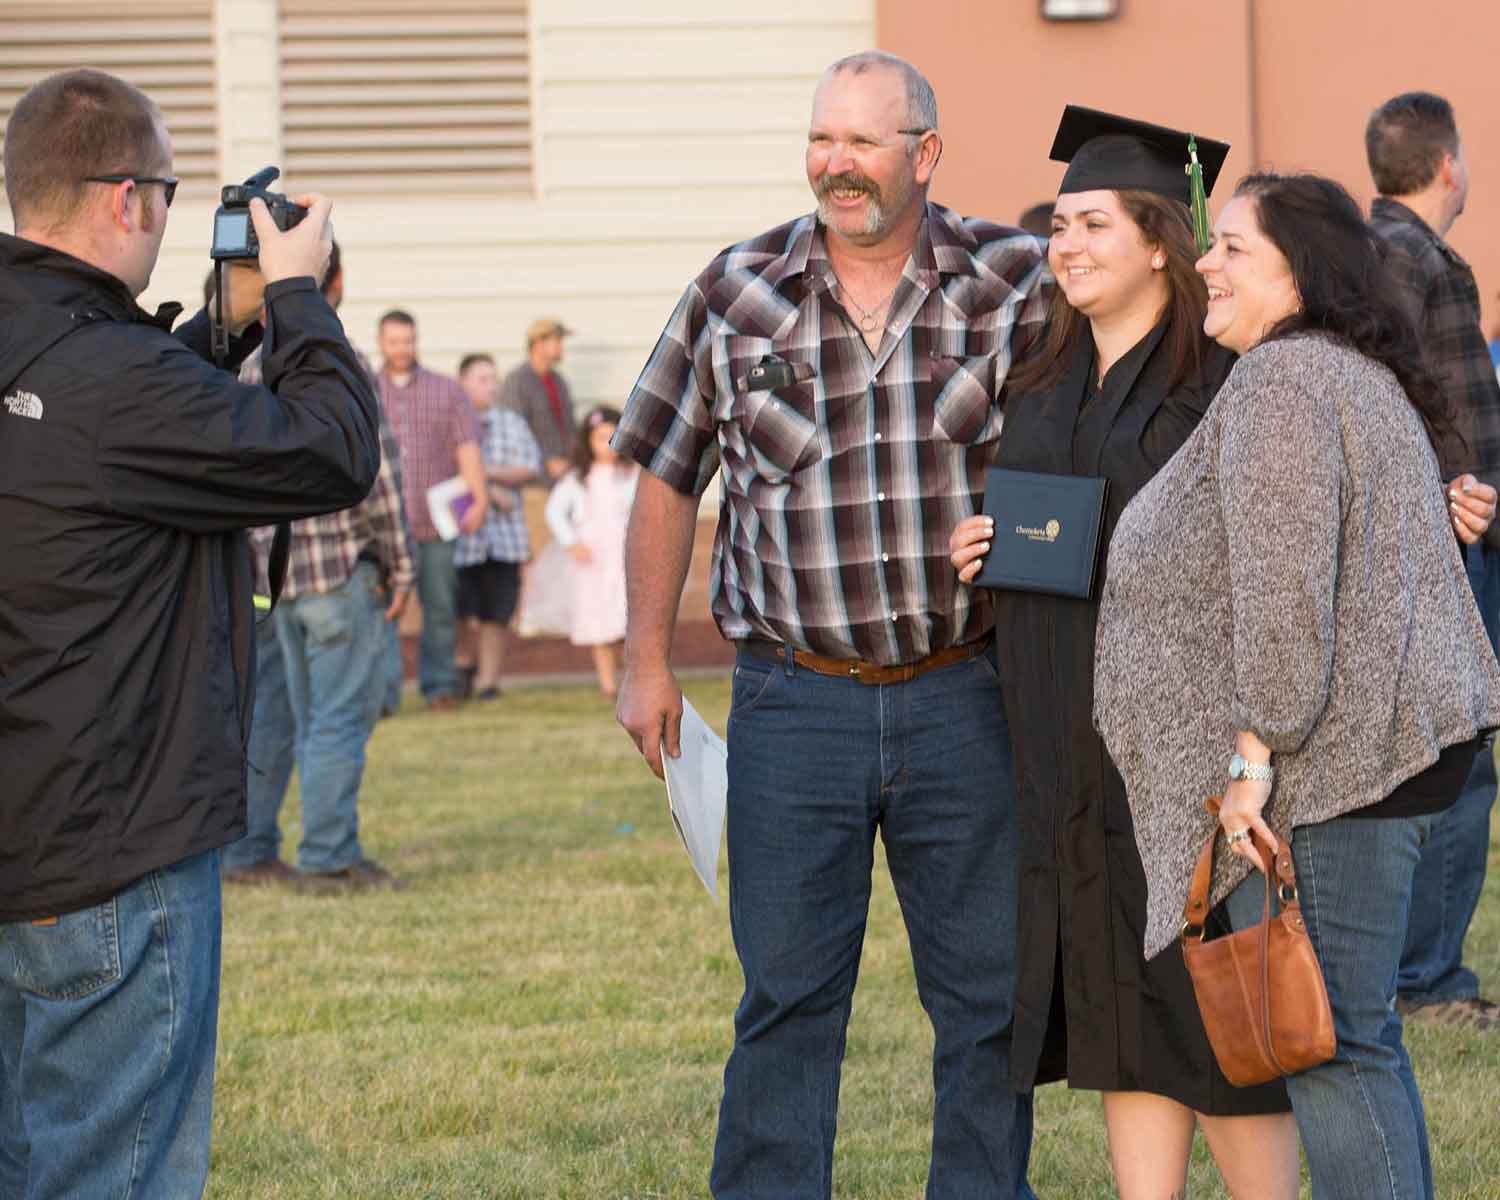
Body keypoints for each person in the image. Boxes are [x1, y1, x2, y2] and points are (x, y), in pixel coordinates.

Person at [613, 50, 1048, 1199]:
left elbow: (1095, 443)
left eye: (863, 142)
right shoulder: (735, 289)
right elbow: (663, 473)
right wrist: (644, 660)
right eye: (822, 140)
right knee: (787, 1000)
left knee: (988, 1000)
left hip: (969, 694)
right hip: (791, 701)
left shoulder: (1015, 278)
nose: (837, 166)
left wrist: (1032, 536)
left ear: (925, 153)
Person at [0, 68, 379, 1197]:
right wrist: (302, 297)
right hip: (110, 844)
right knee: (110, 1171)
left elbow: (108, 437)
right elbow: (329, 450)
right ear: (129, 200)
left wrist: (225, 329)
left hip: (28, 820)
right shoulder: (111, 374)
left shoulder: (64, 352)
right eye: (165, 195)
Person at [1095, 171, 1500, 1200]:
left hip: (1337, 770)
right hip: (1384, 755)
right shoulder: (1339, 374)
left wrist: (1250, 762)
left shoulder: (1284, 386)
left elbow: (1284, 597)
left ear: (1301, 270)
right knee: (1357, 1042)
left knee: (1338, 1050)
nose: (1205, 266)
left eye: (1232, 247)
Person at [949, 108, 1303, 1200]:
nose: (1067, 246)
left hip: (1179, 758)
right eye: (1059, 224)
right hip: (1061, 746)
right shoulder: (1043, 379)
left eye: (1094, 223)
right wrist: (984, 551)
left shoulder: (1219, 384)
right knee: (1110, 1005)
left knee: (1210, 1019)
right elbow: (1045, 539)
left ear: (1161, 239)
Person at [1365, 91, 1500, 1029]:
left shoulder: (1364, 247)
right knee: (1461, 757)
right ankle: (1428, 979)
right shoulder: (1416, 259)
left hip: (1430, 534)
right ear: (1448, 165)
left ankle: (1408, 967)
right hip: (1452, 541)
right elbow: (1389, 387)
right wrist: (1441, 494)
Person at [377, 309, 487, 709]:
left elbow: (468, 446)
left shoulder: (447, 390)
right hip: (382, 525)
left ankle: (438, 686)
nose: (401, 348)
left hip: (436, 524)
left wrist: (479, 497)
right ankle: (382, 695)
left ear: (415, 340)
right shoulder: (366, 388)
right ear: (381, 343)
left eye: (407, 340)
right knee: (382, 612)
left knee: (439, 608)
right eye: (393, 341)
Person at [453, 352, 542, 699]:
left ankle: (488, 682)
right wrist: (486, 491)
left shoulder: (511, 422)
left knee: (496, 613)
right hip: (464, 536)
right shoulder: (451, 422)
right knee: (462, 609)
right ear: (463, 383)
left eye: (494, 378)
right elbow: (445, 471)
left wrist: (483, 473)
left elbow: (530, 466)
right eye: (482, 379)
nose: (491, 386)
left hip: (504, 536)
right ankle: (463, 664)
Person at [545, 406, 638, 697]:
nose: (607, 445)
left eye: (613, 437)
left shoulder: (633, 473)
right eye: (600, 438)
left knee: (628, 617)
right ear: (587, 441)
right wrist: (571, 542)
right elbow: (555, 511)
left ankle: (633, 680)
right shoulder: (578, 478)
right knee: (599, 619)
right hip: (593, 558)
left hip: (624, 554)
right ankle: (607, 684)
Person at [502, 317, 575, 482]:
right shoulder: (517, 380)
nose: (561, 347)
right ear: (538, 344)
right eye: (556, 340)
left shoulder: (558, 381)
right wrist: (547, 461)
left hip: (564, 477)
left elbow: (570, 427)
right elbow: (515, 431)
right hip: (533, 482)